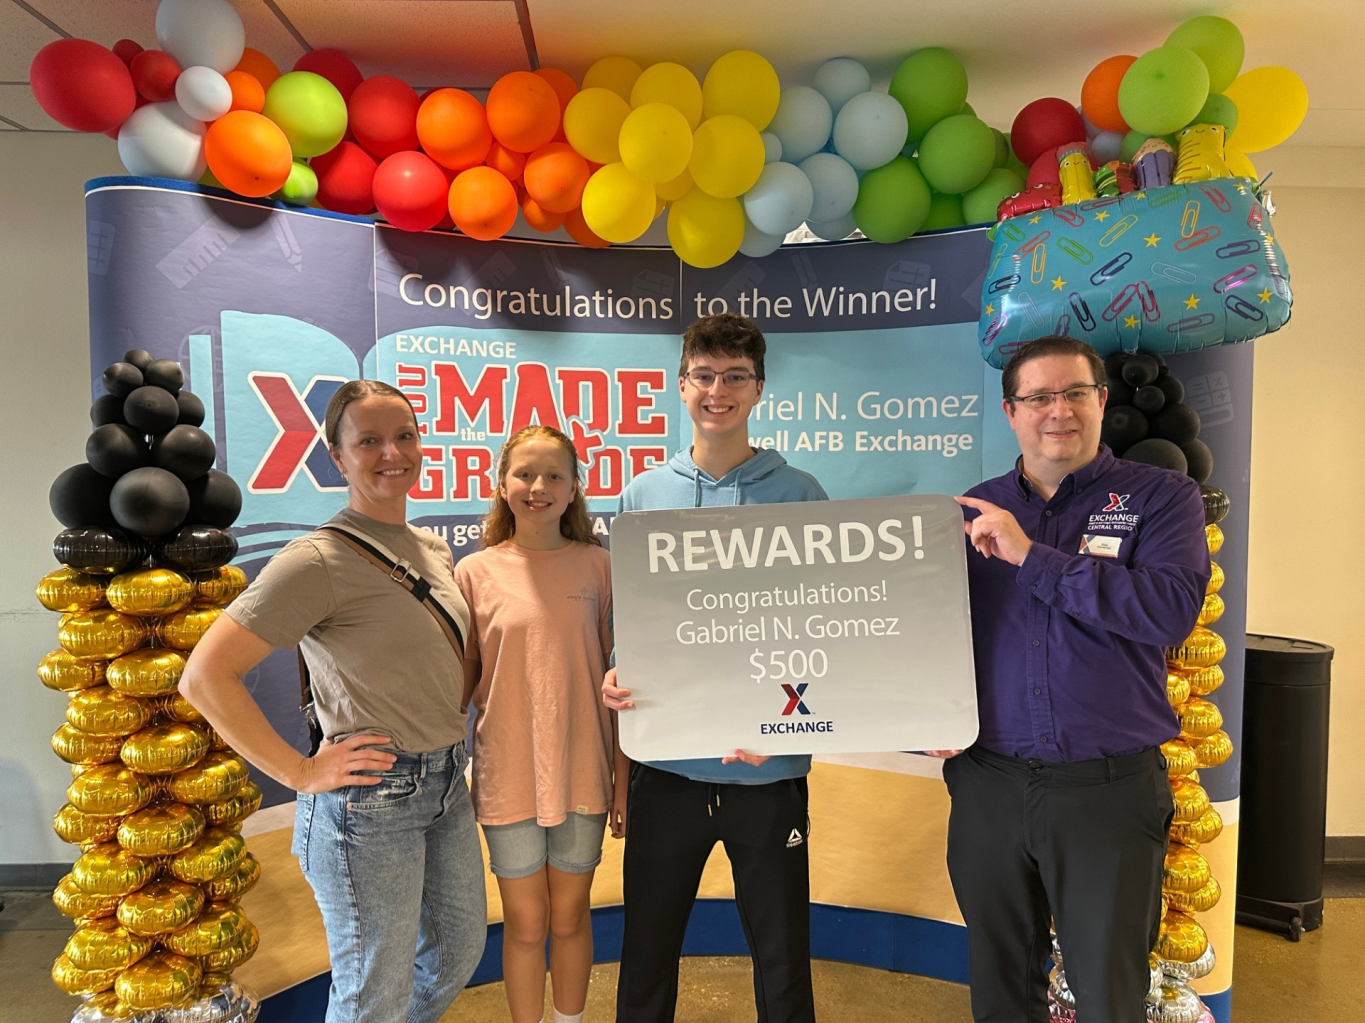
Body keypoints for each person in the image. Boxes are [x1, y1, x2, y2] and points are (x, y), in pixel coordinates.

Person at [180, 380, 486, 1023]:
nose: (391, 453)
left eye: (403, 435)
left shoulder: (431, 549)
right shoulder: (316, 559)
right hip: (369, 804)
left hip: (446, 785)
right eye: (368, 440)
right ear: (337, 457)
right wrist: (299, 773)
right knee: (372, 990)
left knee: (457, 953)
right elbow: (204, 676)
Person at [938, 336, 1211, 1023]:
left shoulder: (1161, 497)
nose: (1056, 411)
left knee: (1108, 990)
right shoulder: (973, 508)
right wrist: (920, 719)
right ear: (1009, 411)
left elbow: (1167, 611)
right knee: (1000, 980)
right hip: (988, 783)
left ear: (1101, 401)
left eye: (1072, 393)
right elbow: (932, 635)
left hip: (1107, 790)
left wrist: (1032, 556)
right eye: (1037, 397)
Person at [602, 313, 827, 1023]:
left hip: (768, 770)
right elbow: (634, 626)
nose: (717, 390)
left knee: (783, 958)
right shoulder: (642, 496)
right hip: (666, 770)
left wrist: (790, 717)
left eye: (734, 376)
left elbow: (824, 630)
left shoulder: (800, 494)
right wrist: (617, 673)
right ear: (681, 384)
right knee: (644, 953)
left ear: (758, 388)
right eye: (703, 375)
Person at [455, 425, 624, 1023]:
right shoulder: (473, 574)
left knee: (570, 916)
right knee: (526, 925)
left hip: (585, 771)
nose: (539, 486)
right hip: (509, 775)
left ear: (576, 488)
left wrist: (623, 781)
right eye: (525, 474)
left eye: (555, 475)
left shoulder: (600, 567)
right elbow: (461, 684)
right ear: (501, 486)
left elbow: (622, 685)